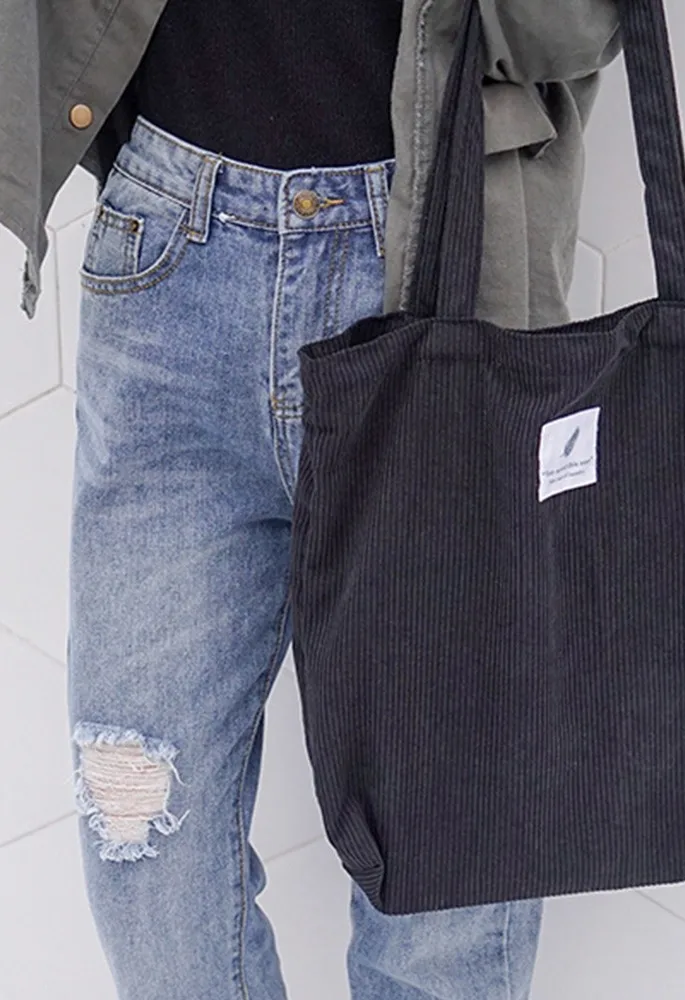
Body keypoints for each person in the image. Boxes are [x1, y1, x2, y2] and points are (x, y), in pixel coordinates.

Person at [0, 0, 620, 996]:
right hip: (170, 248)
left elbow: (569, 29)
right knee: (140, 820)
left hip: (441, 269)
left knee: (451, 869)